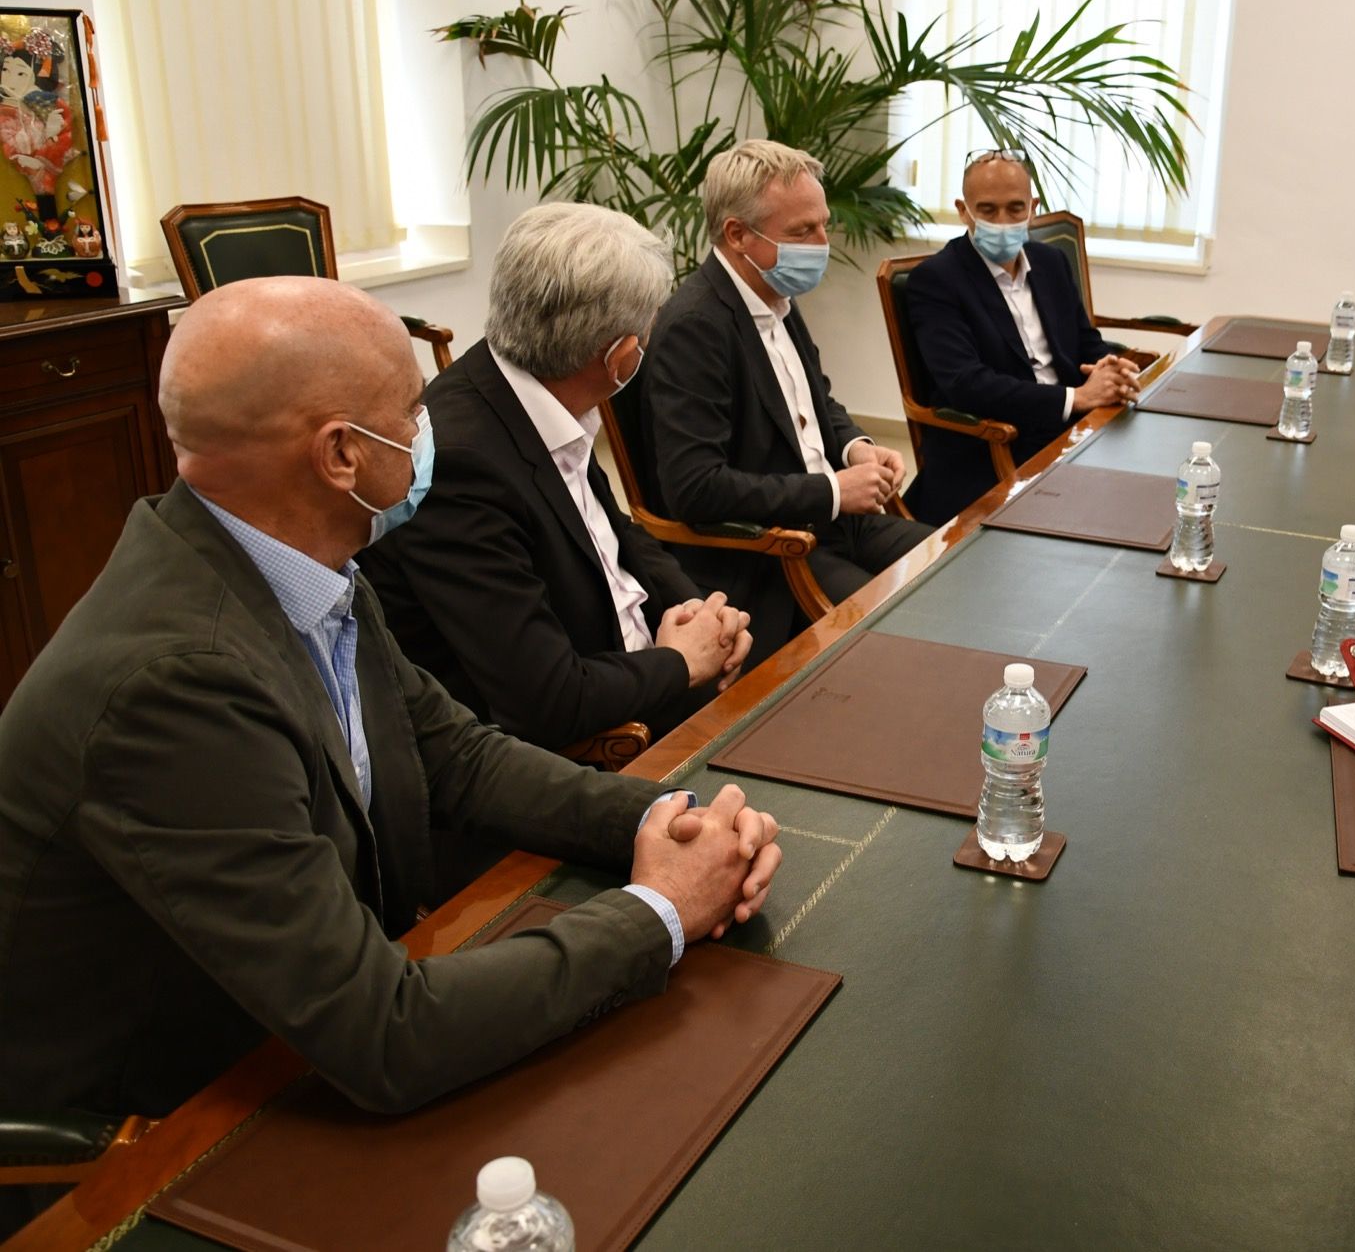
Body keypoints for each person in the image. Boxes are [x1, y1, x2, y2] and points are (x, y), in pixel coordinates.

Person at [0, 279, 783, 1231]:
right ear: (341, 453)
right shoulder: (176, 685)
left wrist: (669, 822)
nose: (430, 430)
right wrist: (658, 911)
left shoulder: (301, 561)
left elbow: (458, 755)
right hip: (154, 1140)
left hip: (290, 1028)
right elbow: (383, 1032)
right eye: (413, 411)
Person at [361, 203, 751, 755]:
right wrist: (681, 662)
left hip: (640, 669)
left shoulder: (541, 390)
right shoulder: (458, 466)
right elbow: (546, 701)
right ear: (619, 358)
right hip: (594, 739)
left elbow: (616, 534)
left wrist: (703, 612)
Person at [629, 141, 934, 661]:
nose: (822, 243)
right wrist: (832, 490)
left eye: (823, 225)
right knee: (903, 632)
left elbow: (818, 404)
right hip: (770, 552)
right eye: (802, 231)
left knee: (956, 566)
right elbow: (695, 487)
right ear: (737, 234)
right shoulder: (695, 326)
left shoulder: (775, 295)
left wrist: (856, 447)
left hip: (835, 524)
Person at [901, 149, 1141, 523]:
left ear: (1033, 208)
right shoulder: (936, 280)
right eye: (987, 210)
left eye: (1015, 208)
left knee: (1145, 490)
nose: (1002, 221)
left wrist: (1109, 370)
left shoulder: (1050, 262)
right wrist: (1075, 398)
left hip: (1071, 429)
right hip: (994, 445)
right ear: (963, 211)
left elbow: (1085, 340)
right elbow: (965, 384)